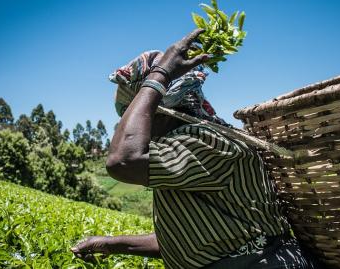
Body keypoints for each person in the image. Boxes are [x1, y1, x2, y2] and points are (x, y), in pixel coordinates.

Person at [71, 29, 320, 268]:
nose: (129, 128)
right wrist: (107, 244)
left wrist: (159, 75)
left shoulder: (206, 142)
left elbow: (122, 161)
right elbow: (192, 241)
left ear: (158, 113)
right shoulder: (180, 148)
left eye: (135, 115)